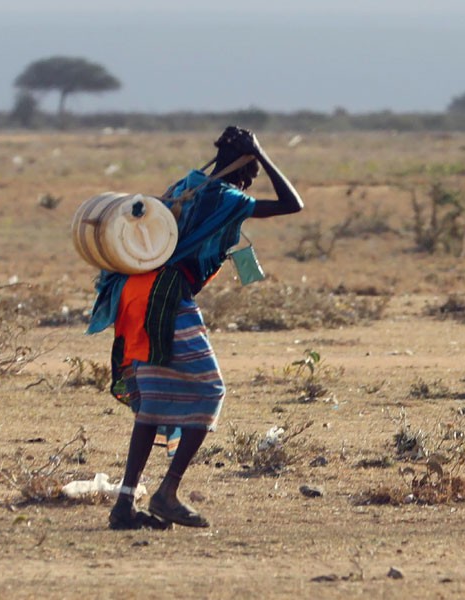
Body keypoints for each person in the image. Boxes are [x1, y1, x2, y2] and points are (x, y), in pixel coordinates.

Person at [85, 126, 304, 529]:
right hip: (164, 297)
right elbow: (294, 204)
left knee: (152, 403)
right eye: (253, 170)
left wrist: (251, 153)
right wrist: (263, 153)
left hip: (136, 292)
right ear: (245, 164)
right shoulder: (229, 198)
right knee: (209, 390)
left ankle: (124, 505)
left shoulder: (189, 183)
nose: (254, 179)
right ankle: (167, 493)